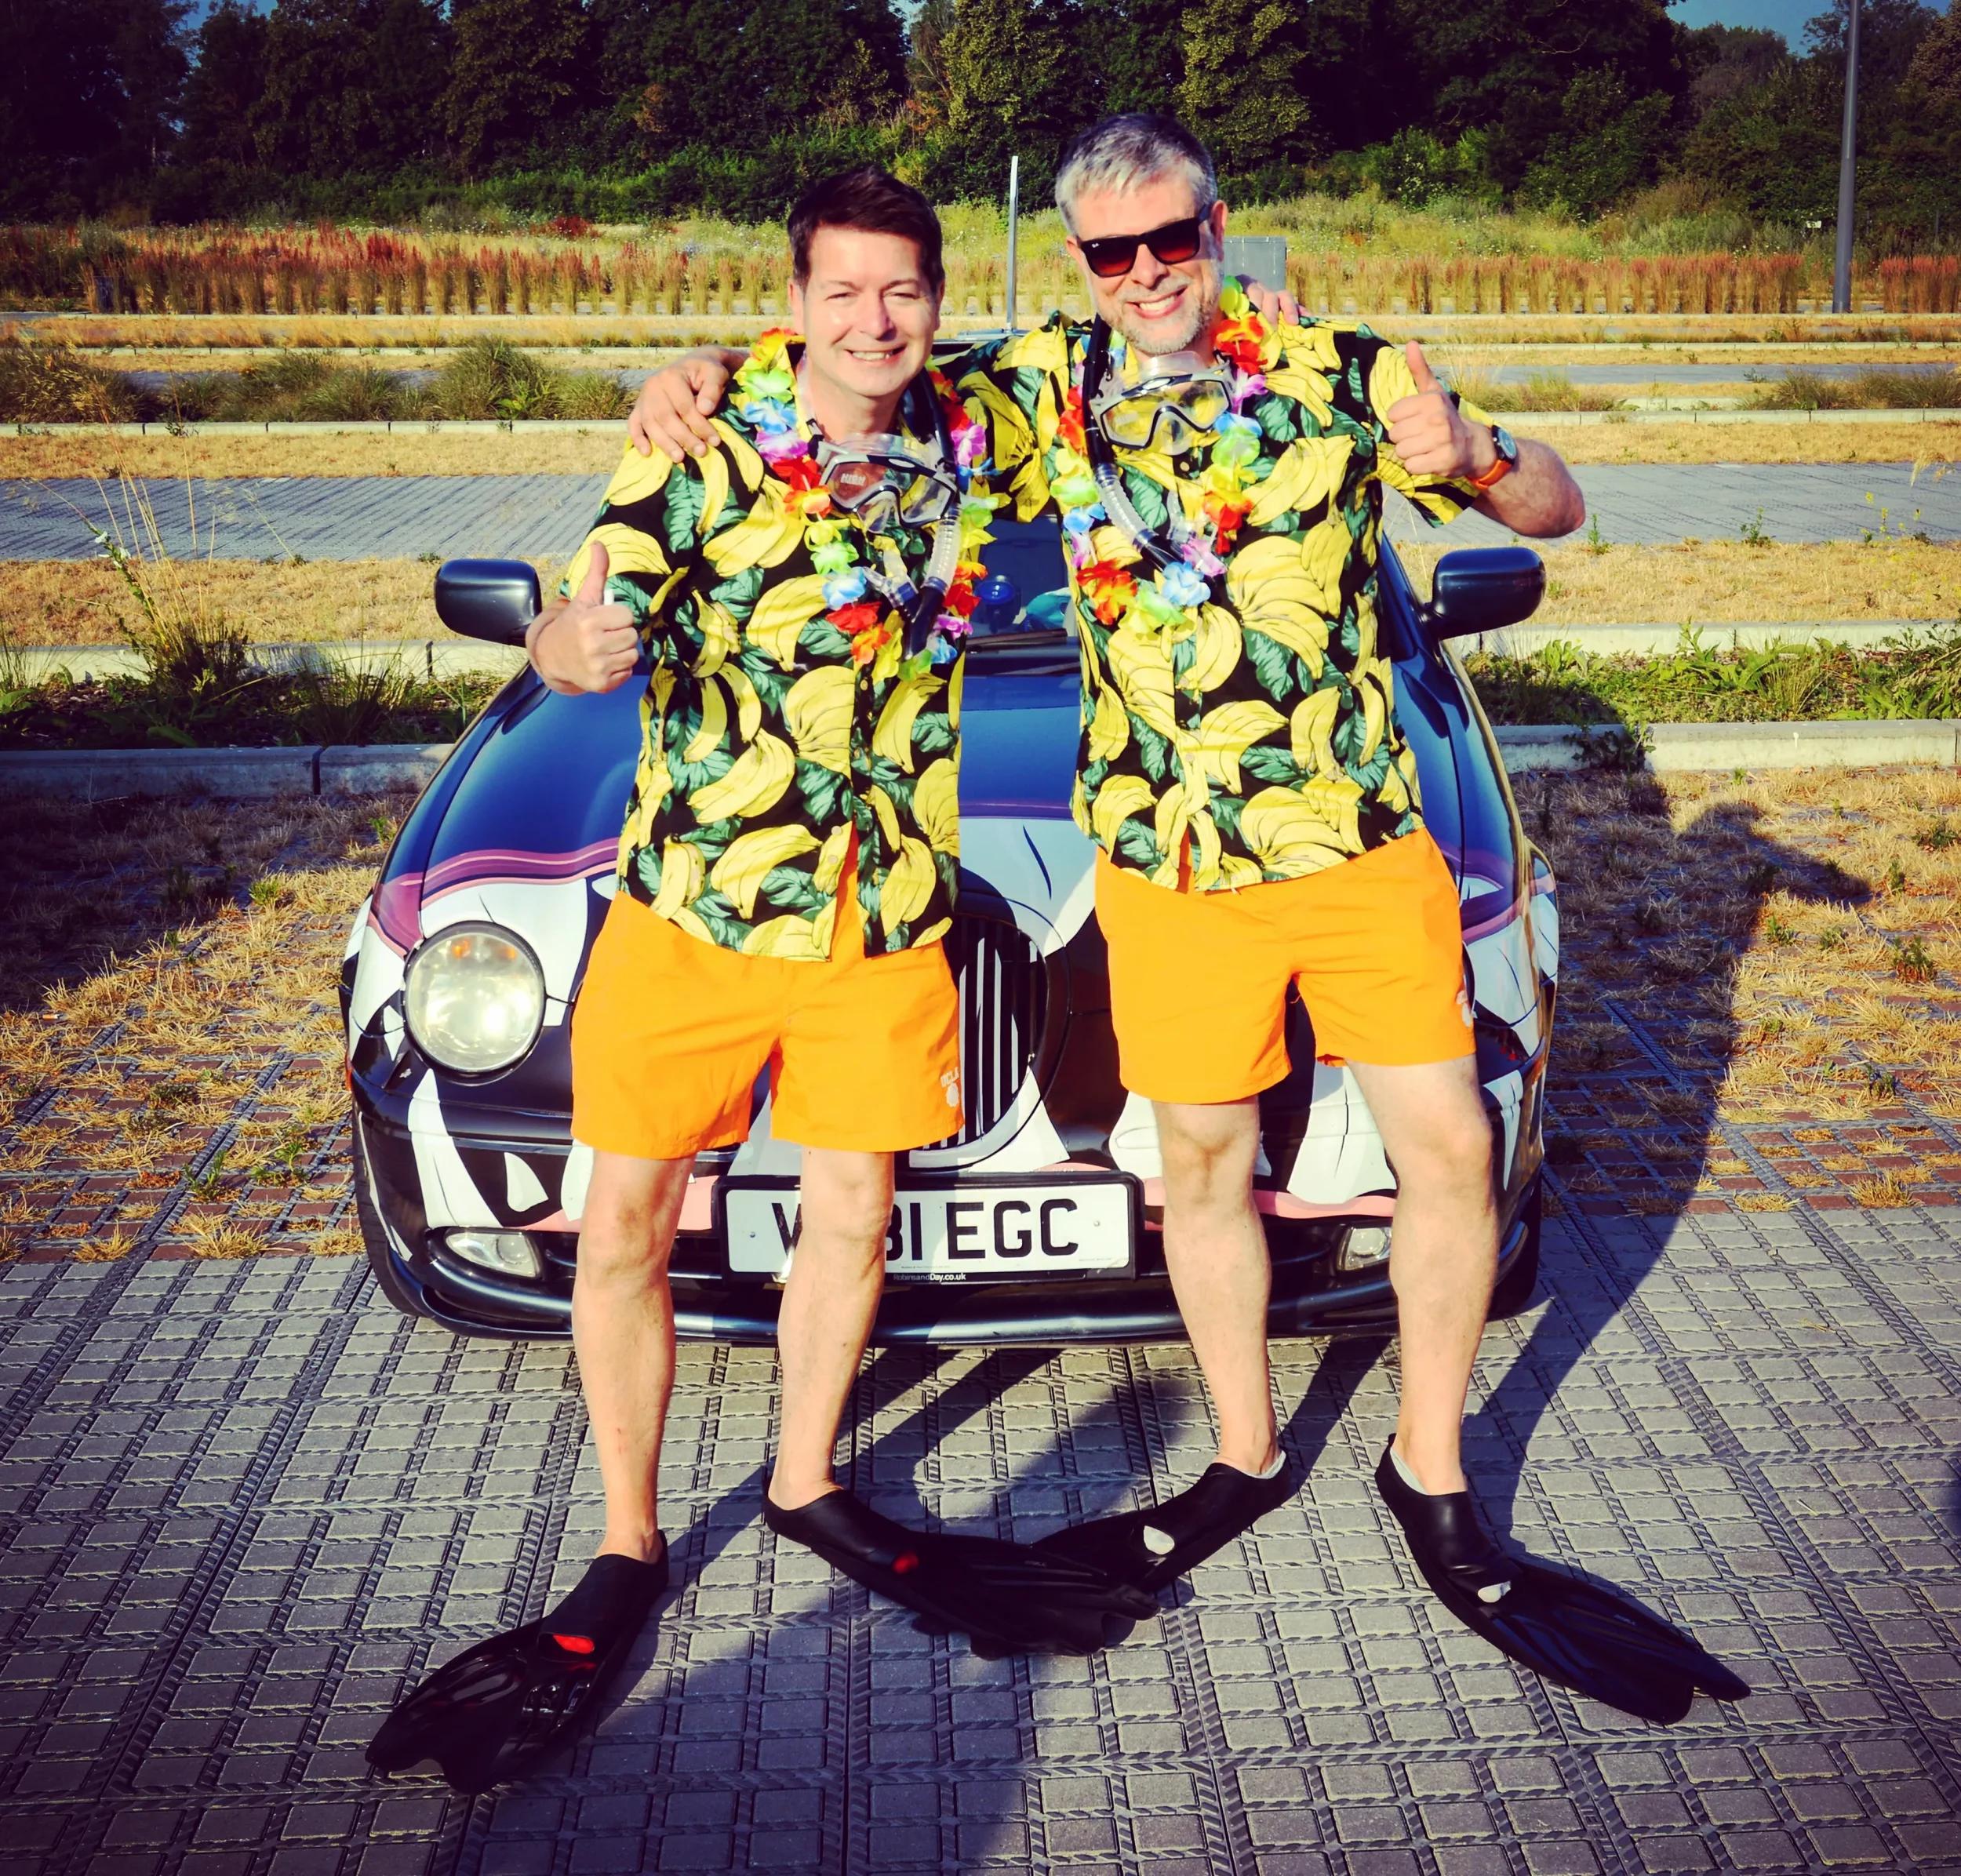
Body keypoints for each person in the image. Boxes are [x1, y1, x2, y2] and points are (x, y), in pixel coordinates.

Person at [628, 117, 1748, 1725]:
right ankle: (1241, 1447)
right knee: (1203, 1165)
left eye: (1172, 240)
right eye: (1111, 251)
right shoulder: (1035, 394)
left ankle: (1427, 1467)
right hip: (1164, 858)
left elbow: (1559, 505)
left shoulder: (1348, 371)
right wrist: (685, 375)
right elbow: (845, 364)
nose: (1146, 273)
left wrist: (1477, 461)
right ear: (1078, 261)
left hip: (1357, 842)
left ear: (1216, 228)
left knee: (1445, 1146)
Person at [368, 168, 1151, 1797]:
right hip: (698, 914)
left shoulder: (977, 421)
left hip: (886, 919)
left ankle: (803, 1479)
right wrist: (569, 647)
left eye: (904, 292)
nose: (875, 321)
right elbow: (599, 605)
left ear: (937, 298)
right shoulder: (697, 443)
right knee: (627, 1223)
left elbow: (1137, 339)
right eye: (842, 292)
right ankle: (628, 1533)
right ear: (792, 300)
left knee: (852, 1215)